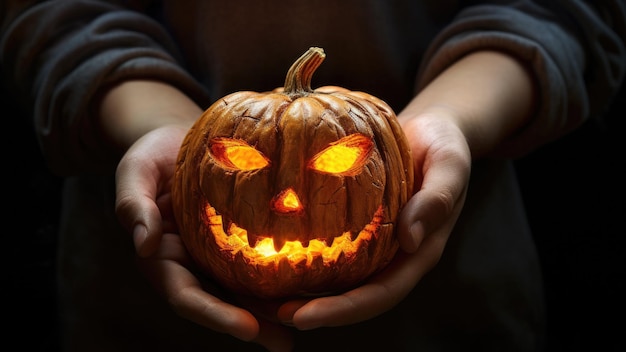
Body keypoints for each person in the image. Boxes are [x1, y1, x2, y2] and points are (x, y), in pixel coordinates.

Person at [1, 1, 624, 351]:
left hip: (453, 313)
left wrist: (451, 120)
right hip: (140, 322)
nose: (291, 201)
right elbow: (57, 15)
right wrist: (158, 127)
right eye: (239, 161)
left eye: (338, 161)